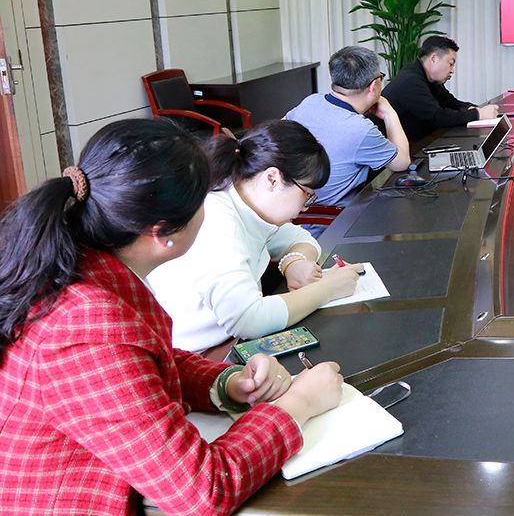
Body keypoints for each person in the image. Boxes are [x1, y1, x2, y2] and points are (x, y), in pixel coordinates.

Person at [0, 119, 344, 515]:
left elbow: (142, 362)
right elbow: (201, 491)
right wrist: (298, 404)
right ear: (163, 233)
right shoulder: (86, 323)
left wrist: (226, 383)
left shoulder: (88, 267)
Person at [146, 120, 362, 353]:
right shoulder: (218, 222)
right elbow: (250, 320)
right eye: (307, 194)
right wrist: (328, 289)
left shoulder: (247, 203)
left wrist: (294, 262)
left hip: (223, 340)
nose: (306, 206)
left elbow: (301, 238)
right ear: (272, 179)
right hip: (195, 355)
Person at [286, 45, 410, 206]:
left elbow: (279, 129)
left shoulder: (311, 101)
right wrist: (389, 113)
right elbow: (402, 163)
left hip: (295, 209)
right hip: (336, 217)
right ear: (373, 86)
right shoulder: (361, 129)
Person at [381, 35, 499, 142]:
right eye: (451, 63)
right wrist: (477, 114)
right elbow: (437, 117)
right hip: (393, 151)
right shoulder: (411, 80)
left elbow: (450, 102)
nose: (452, 70)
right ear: (434, 58)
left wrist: (472, 108)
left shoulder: (428, 77)